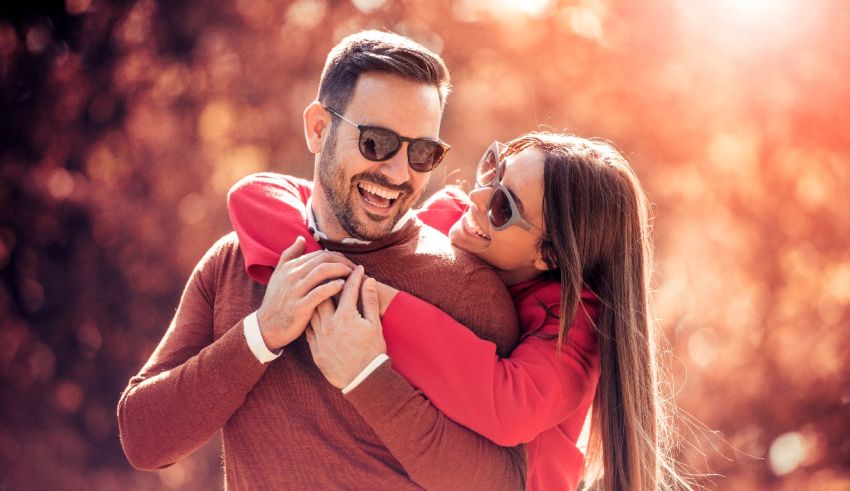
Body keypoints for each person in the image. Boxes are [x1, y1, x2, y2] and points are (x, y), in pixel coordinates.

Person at [117, 31, 528, 490]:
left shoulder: (469, 289)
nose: (399, 173)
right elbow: (142, 439)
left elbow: (508, 484)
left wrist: (368, 379)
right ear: (318, 129)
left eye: (422, 153)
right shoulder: (236, 261)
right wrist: (261, 333)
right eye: (376, 142)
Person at [228, 133, 688, 490]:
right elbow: (259, 196)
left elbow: (508, 407)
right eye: (493, 171)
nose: (477, 197)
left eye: (504, 207)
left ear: (549, 255)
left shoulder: (575, 324)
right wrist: (326, 273)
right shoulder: (448, 220)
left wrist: (368, 295)